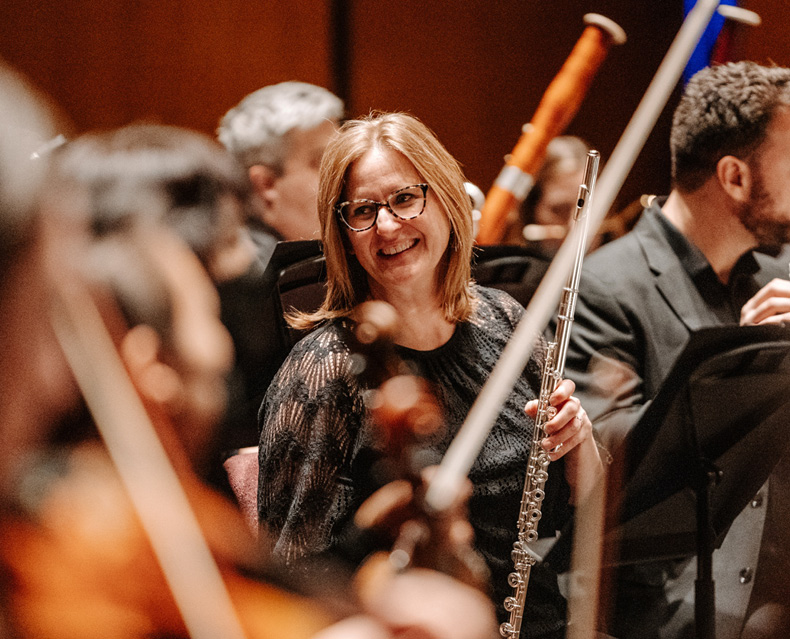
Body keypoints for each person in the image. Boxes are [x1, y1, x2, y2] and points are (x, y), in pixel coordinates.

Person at [257, 111, 604, 638]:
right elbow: (295, 583)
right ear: (343, 232)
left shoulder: (506, 321)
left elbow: (584, 523)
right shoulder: (325, 371)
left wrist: (578, 446)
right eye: (363, 210)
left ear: (445, 198)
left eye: (403, 199)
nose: (388, 226)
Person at [561, 61, 790, 639]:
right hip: (669, 620)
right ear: (734, 177)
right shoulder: (604, 287)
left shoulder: (781, 274)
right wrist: (736, 368)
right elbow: (609, 485)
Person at [217, 81, 344, 267]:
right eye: (323, 163)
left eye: (342, 158)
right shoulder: (244, 282)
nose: (344, 174)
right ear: (266, 185)